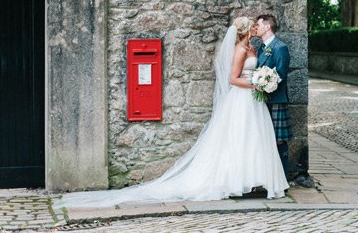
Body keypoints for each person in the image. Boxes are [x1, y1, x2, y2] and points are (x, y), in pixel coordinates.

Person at [54, 17, 288, 208]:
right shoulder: (239, 49)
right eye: (253, 25)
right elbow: (233, 79)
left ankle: (253, 182)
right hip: (243, 98)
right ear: (247, 30)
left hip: (253, 101)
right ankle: (236, 182)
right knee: (238, 139)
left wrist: (261, 82)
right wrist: (256, 84)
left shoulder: (252, 47)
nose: (256, 27)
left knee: (252, 140)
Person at [254, 14, 292, 177]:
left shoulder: (280, 47)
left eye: (258, 25)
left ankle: (282, 177)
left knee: (278, 140)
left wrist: (264, 84)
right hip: (262, 101)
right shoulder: (262, 48)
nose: (256, 28)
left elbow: (281, 75)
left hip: (276, 100)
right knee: (264, 139)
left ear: (267, 27)